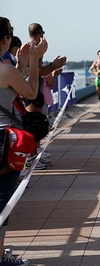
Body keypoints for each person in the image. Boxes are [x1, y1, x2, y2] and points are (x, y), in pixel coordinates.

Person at [0, 17, 48, 265]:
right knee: (2, 203)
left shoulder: (7, 70)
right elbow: (30, 92)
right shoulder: (3, 70)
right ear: (6, 39)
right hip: (2, 143)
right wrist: (34, 61)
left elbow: (8, 89)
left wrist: (20, 64)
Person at [25, 23, 66, 170]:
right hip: (32, 94)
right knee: (33, 126)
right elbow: (38, 71)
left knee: (35, 126)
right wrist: (54, 65)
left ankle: (34, 158)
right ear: (40, 34)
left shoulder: (30, 48)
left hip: (35, 92)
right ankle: (31, 159)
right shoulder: (33, 49)